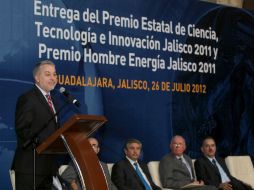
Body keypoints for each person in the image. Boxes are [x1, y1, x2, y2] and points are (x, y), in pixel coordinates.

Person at [12, 60, 58, 190]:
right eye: (48, 74)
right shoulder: (28, 98)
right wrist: (43, 143)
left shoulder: (54, 100)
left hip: (47, 169)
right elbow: (22, 130)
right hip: (30, 168)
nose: (53, 78)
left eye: (54, 74)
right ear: (37, 78)